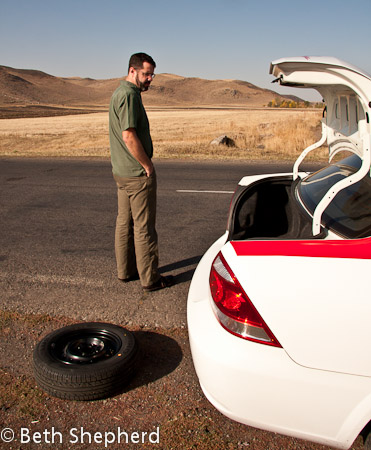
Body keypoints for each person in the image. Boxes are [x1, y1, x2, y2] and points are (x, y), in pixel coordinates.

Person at [109, 52, 174, 291]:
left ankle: (125, 271)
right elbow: (128, 135)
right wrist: (147, 165)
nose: (150, 79)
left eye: (152, 74)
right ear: (132, 70)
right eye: (146, 74)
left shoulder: (120, 92)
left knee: (124, 222)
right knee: (144, 227)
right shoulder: (128, 95)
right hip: (136, 174)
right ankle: (150, 279)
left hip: (122, 171)